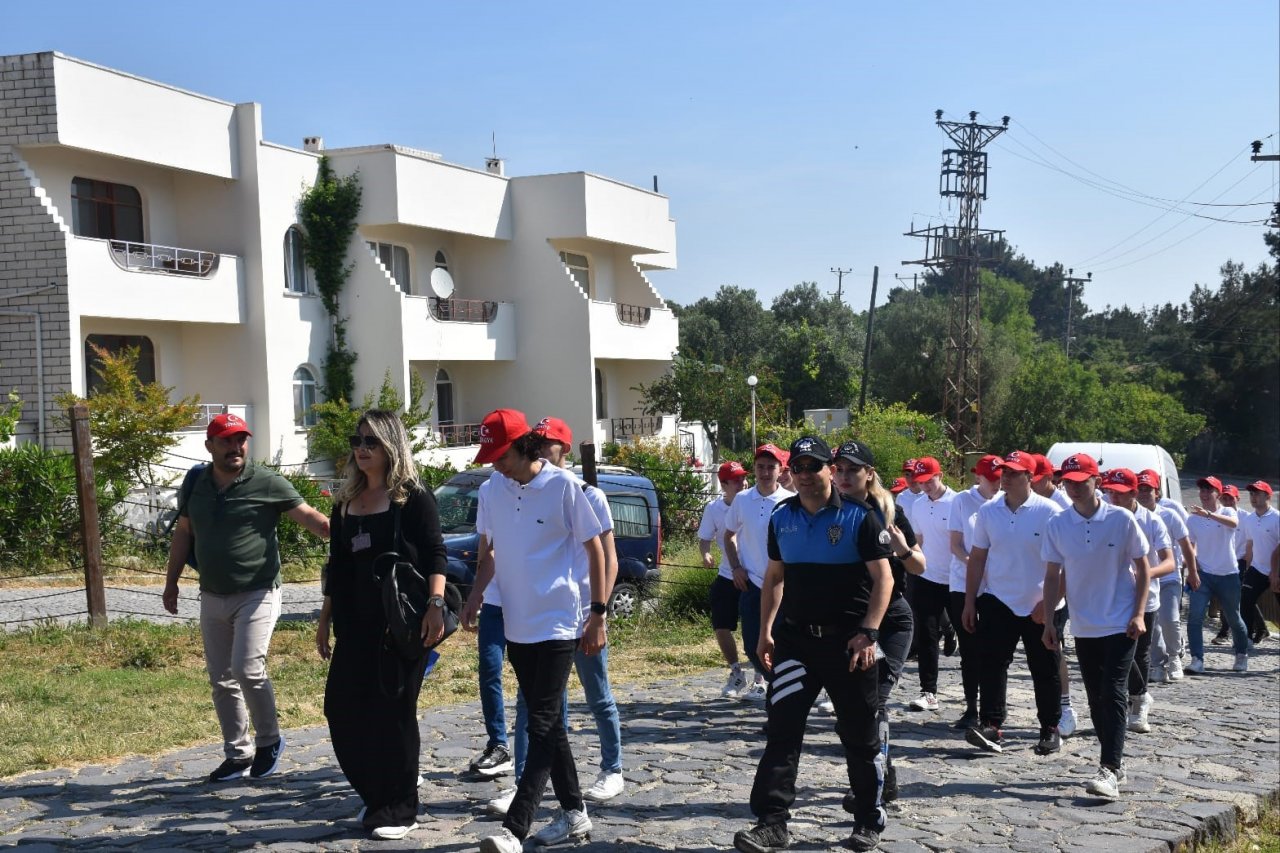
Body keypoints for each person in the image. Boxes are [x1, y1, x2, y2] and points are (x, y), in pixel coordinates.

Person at [732, 437, 893, 853]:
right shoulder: (781, 517)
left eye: (814, 466)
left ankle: (867, 821)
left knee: (859, 737)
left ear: (829, 470)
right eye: (798, 467)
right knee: (782, 733)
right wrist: (766, 630)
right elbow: (774, 578)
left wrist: (870, 632)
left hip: (848, 646)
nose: (805, 474)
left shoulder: (861, 518)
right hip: (796, 644)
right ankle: (772, 824)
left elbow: (884, 580)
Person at [459, 409, 607, 853]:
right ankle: (575, 815)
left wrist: (597, 613)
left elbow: (596, 549)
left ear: (523, 444)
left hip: (561, 620)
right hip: (516, 625)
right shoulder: (490, 491)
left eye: (499, 453)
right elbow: (489, 553)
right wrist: (474, 595)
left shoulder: (564, 487)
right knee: (550, 727)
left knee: (541, 720)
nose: (494, 463)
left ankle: (515, 829)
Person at [162, 413, 330, 784]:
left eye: (241, 439)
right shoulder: (196, 485)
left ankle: (269, 740)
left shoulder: (266, 481)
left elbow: (311, 518)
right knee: (221, 679)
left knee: (246, 669)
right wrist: (171, 582)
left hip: (258, 591)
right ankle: (237, 754)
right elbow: (183, 533)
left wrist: (346, 531)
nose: (236, 447)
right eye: (226, 440)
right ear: (210, 446)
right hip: (212, 594)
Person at [315, 410, 447, 840]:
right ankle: (376, 797)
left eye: (371, 441)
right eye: (357, 441)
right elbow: (336, 567)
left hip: (400, 625)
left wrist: (435, 603)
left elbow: (435, 555)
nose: (361, 449)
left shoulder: (412, 497)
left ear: (391, 445)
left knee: (393, 715)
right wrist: (324, 618)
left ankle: (401, 806)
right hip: (354, 626)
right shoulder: (346, 501)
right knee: (342, 710)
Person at [484, 417, 624, 814]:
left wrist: (599, 612)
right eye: (539, 441)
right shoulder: (511, 488)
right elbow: (498, 549)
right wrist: (479, 593)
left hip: (577, 612)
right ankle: (562, 805)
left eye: (550, 443)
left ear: (564, 449)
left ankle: (611, 769)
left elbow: (606, 556)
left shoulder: (583, 493)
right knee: (541, 713)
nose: (544, 448)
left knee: (597, 696)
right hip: (535, 621)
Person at [1041, 453, 1151, 799]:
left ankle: (1108, 768)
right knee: (1094, 697)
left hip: (1120, 620)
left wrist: (1138, 613)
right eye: (1068, 481)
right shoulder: (1058, 524)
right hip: (1084, 623)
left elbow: (1143, 567)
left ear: (1096, 481)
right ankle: (1115, 761)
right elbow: (1052, 575)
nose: (1072, 487)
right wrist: (1048, 620)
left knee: (1113, 689)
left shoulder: (1121, 519)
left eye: (1080, 481)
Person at [832, 440, 922, 807]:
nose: (844, 476)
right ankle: (886, 777)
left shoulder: (888, 510)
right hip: (853, 622)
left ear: (869, 474)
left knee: (875, 702)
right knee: (856, 709)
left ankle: (876, 782)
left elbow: (919, 566)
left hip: (891, 621)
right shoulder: (828, 510)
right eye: (839, 469)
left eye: (853, 469)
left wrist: (901, 548)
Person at [960, 450, 1063, 756]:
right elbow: (977, 558)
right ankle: (992, 724)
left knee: (1044, 668)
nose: (1005, 476)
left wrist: (1050, 600)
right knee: (991, 665)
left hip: (1039, 602)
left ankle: (1050, 727)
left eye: (1014, 472)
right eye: (1004, 471)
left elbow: (1062, 563)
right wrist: (970, 601)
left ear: (1030, 478)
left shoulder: (1050, 512)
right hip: (998, 599)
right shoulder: (989, 512)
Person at [1097, 469, 1174, 736]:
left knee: (1138, 653)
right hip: (1111, 595)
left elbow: (1169, 561)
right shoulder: (1103, 517)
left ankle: (1138, 700)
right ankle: (1131, 697)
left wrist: (1146, 573)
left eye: (1119, 494)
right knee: (1113, 653)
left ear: (1133, 494)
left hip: (1144, 597)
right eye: (1109, 492)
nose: (1113, 498)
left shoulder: (1153, 521)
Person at [723, 444, 795, 702]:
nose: (765, 472)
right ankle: (778, 686)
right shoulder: (742, 500)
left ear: (781, 470)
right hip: (752, 584)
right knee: (753, 646)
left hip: (784, 586)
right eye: (760, 467)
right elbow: (728, 535)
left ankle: (781, 694)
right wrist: (735, 567)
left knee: (782, 644)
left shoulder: (790, 501)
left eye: (770, 467)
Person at [944, 454, 1002, 730]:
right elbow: (955, 543)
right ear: (978, 477)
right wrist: (973, 564)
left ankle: (992, 710)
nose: (996, 483)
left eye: (1000, 478)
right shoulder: (962, 501)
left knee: (992, 648)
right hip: (963, 582)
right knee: (969, 648)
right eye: (991, 478)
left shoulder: (1005, 502)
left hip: (997, 585)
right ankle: (971, 707)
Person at [904, 456, 956, 713]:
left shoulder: (957, 502)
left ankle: (974, 692)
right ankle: (929, 691)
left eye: (930, 480)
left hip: (956, 579)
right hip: (928, 577)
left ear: (941, 475)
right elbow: (918, 540)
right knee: (926, 636)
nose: (925, 486)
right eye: (921, 481)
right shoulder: (918, 505)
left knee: (970, 636)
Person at [1032, 453, 1078, 734]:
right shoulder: (1035, 503)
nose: (1032, 484)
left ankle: (1066, 708)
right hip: (1039, 590)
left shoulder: (1060, 507)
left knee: (1054, 651)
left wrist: (1053, 598)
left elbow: (1067, 562)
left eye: (1036, 479)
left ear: (1048, 478)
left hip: (1056, 593)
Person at [1135, 469, 1195, 683]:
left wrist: (1193, 572)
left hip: (1169, 577)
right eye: (1139, 489)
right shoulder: (1129, 516)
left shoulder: (1168, 515)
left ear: (1157, 493)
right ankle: (1158, 663)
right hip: (1143, 580)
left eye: (1147, 489)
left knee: (1169, 619)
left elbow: (1186, 545)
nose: (1143, 493)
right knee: (1153, 624)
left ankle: (1174, 656)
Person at [699, 460, 753, 697]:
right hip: (727, 573)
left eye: (743, 478)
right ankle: (736, 673)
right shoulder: (713, 508)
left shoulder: (754, 502)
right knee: (721, 625)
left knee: (756, 628)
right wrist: (706, 553)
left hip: (755, 575)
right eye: (736, 480)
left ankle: (760, 677)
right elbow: (704, 538)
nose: (742, 482)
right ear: (723, 484)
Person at [1185, 476, 1249, 673]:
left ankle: (1241, 653)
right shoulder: (1193, 519)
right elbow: (1190, 546)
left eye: (1209, 491)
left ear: (1218, 495)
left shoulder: (1227, 511)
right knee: (1195, 617)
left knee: (1233, 617)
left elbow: (1232, 523)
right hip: (1204, 574)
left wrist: (1209, 515)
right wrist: (1193, 569)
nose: (1204, 495)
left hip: (1227, 574)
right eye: (1202, 491)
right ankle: (1197, 659)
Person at [1240, 481, 1279, 645]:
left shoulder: (1277, 518)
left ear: (1268, 496)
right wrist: (1248, 569)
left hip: (1277, 570)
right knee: (1246, 600)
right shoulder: (1249, 519)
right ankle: (1247, 638)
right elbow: (1250, 545)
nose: (1253, 497)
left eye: (1257, 494)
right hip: (1257, 569)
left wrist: (1276, 573)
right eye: (1251, 494)